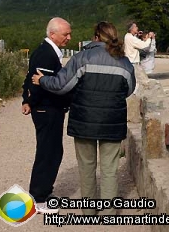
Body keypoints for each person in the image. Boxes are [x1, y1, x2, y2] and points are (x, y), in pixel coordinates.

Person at [32, 21, 136, 216]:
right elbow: (128, 90)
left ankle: (88, 209)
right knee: (110, 168)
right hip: (112, 122)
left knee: (87, 166)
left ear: (96, 37)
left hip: (84, 120)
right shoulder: (125, 62)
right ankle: (109, 211)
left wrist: (42, 80)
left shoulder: (82, 58)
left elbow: (61, 85)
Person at [21, 17, 72, 214]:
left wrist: (26, 100)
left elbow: (29, 76)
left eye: (69, 33)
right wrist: (31, 101)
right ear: (52, 34)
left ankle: (44, 191)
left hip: (49, 109)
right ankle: (39, 197)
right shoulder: (46, 54)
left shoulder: (48, 51)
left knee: (53, 151)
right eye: (65, 34)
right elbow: (40, 83)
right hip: (47, 109)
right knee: (47, 152)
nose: (69, 37)